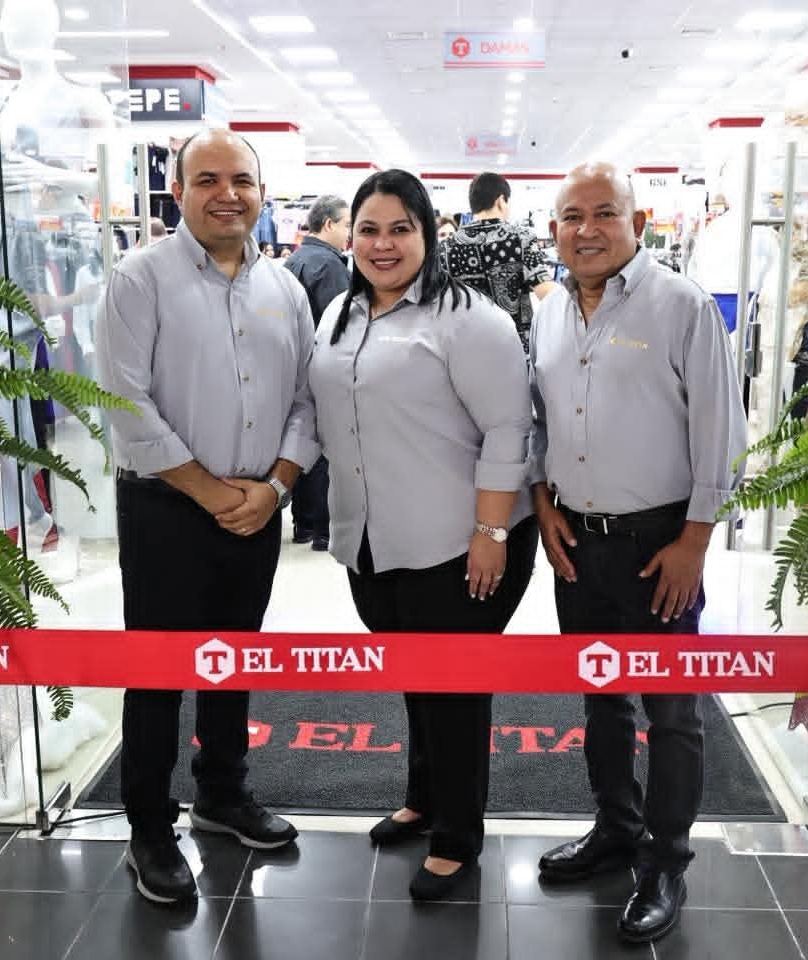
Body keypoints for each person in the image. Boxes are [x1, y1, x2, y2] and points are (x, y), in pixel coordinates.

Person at [96, 128, 320, 905]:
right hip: (165, 507)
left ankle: (223, 792)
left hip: (257, 507)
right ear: (179, 192)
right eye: (208, 180)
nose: (228, 194)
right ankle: (149, 826)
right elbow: (124, 402)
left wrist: (276, 487)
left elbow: (307, 399)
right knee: (158, 673)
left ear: (262, 193)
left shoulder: (285, 286)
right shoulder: (140, 278)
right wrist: (208, 491)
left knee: (235, 657)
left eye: (242, 181)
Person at [529, 162, 746, 944]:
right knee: (601, 693)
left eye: (604, 213)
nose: (586, 230)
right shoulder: (549, 312)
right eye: (571, 216)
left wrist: (696, 540)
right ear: (553, 228)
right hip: (577, 541)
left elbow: (722, 432)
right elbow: (540, 421)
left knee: (672, 709)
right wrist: (542, 502)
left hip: (662, 543)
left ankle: (665, 861)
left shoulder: (681, 306)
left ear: (638, 221)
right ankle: (615, 828)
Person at [308, 169, 538, 901]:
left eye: (400, 229)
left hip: (461, 544)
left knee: (455, 692)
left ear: (428, 235)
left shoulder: (467, 319)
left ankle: (458, 834)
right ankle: (424, 797)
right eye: (369, 229)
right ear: (350, 236)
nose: (383, 244)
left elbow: (509, 427)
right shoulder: (339, 313)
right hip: (372, 540)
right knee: (415, 678)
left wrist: (490, 530)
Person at [283, 194, 351, 551]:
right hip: (321, 369)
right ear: (329, 224)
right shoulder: (330, 266)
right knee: (326, 448)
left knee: (299, 442)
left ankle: (304, 524)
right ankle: (324, 529)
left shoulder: (292, 261)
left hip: (292, 369)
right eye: (347, 225)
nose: (349, 233)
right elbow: (340, 326)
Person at [439, 172, 557, 351]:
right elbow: (546, 293)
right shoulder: (521, 237)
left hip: (463, 349)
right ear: (501, 201)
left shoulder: (446, 246)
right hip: (513, 347)